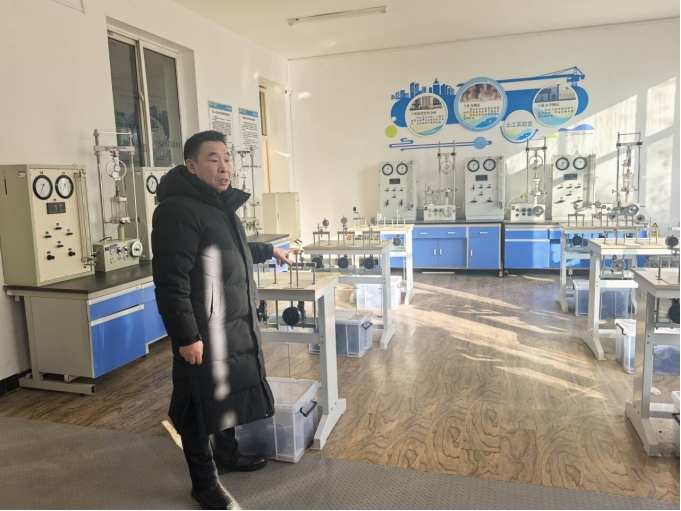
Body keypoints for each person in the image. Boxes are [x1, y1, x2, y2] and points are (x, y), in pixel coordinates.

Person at [152, 130, 296, 510]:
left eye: (227, 159)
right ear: (191, 165)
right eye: (213, 159)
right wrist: (187, 336)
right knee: (197, 405)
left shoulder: (216, 206)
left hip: (228, 322)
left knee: (226, 391)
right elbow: (171, 281)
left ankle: (227, 455)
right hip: (202, 330)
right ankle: (204, 484)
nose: (224, 167)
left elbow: (230, 248)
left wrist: (269, 250)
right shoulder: (177, 210)